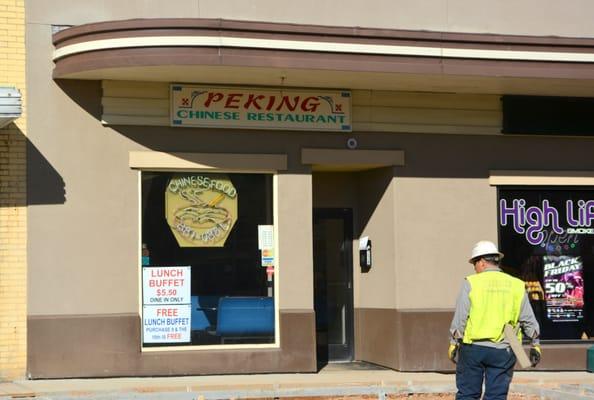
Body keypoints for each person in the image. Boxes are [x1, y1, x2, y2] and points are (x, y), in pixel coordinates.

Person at [448, 240, 541, 400]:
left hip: (473, 348)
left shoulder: (471, 283)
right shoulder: (516, 284)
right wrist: (535, 345)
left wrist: (453, 343)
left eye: (474, 264)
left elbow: (461, 316)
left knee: (468, 395)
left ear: (482, 262)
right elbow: (527, 318)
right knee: (496, 396)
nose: (474, 268)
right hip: (504, 349)